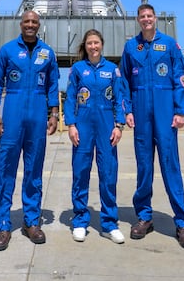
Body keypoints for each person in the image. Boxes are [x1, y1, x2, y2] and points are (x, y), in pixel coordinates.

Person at [120, 3, 184, 249]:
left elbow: (180, 78)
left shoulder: (170, 45)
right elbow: (125, 83)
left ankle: (182, 223)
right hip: (141, 112)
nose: (146, 19)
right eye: (142, 16)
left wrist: (180, 111)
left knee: (170, 166)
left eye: (149, 16)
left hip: (165, 112)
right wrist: (127, 111)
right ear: (138, 20)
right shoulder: (131, 47)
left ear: (155, 18)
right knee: (144, 167)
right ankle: (144, 217)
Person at [0, 10, 60, 251]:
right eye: (27, 21)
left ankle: (31, 221)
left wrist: (54, 114)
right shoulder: (7, 50)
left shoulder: (47, 53)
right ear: (21, 24)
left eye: (34, 22)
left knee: (34, 171)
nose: (30, 25)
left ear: (39, 26)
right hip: (13, 113)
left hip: (37, 116)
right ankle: (3, 224)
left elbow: (52, 85)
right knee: (6, 169)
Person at [64, 29, 131, 244]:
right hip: (83, 125)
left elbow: (120, 98)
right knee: (81, 172)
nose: (93, 47)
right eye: (89, 43)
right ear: (85, 46)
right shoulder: (77, 69)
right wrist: (71, 124)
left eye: (96, 43)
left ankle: (110, 223)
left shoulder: (112, 70)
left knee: (108, 173)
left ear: (102, 45)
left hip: (106, 125)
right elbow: (70, 98)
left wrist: (119, 125)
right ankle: (81, 220)